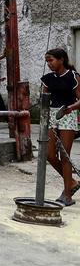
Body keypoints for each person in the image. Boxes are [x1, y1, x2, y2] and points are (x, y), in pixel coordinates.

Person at [41, 48, 80, 206]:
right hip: (51, 115)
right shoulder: (47, 79)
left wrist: (70, 108)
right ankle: (71, 182)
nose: (49, 64)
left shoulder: (73, 76)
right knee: (49, 155)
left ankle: (67, 195)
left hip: (68, 114)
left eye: (51, 60)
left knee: (64, 155)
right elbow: (44, 100)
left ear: (61, 59)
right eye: (47, 61)